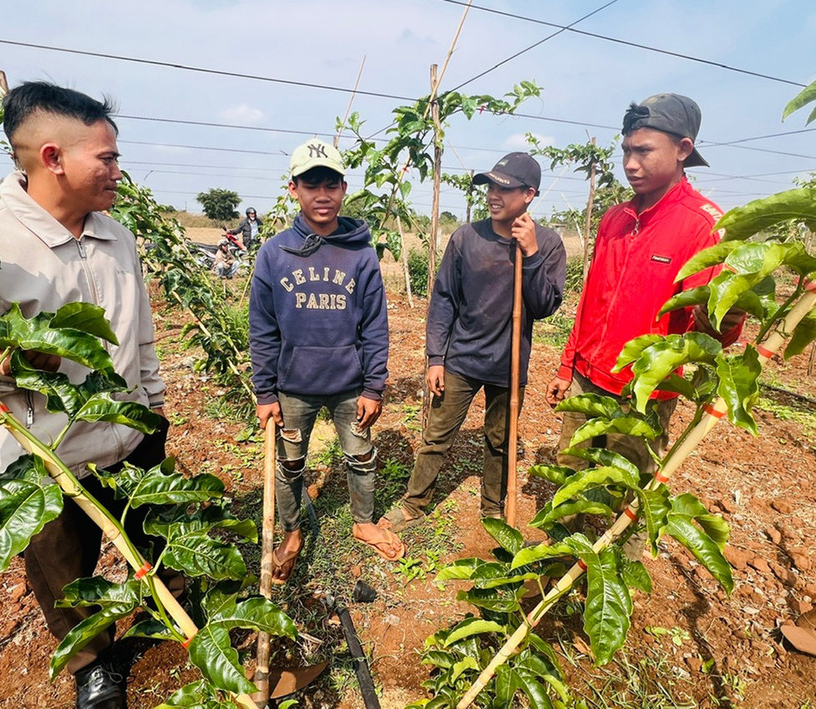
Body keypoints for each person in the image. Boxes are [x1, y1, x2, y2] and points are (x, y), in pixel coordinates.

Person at [0, 82, 174, 709]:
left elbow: (140, 332)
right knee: (65, 573)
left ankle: (167, 615)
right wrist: (5, 364)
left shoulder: (117, 236)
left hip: (128, 432)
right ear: (52, 158)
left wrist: (154, 405)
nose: (118, 171)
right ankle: (93, 664)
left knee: (153, 535)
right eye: (107, 158)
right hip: (44, 454)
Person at [546, 93, 744, 474]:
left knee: (628, 491)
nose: (630, 165)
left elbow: (715, 332)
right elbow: (590, 300)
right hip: (587, 377)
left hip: (643, 390)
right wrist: (567, 365)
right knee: (571, 470)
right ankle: (561, 535)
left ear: (683, 148)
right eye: (625, 152)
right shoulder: (615, 218)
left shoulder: (705, 226)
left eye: (644, 151)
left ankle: (623, 537)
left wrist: (725, 318)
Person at [379, 152, 567, 532]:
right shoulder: (467, 237)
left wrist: (529, 253)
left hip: (510, 363)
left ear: (529, 194)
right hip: (462, 359)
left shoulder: (547, 244)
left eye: (505, 188)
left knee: (500, 441)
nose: (494, 194)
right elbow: (444, 298)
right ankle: (414, 503)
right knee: (436, 436)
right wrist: (436, 357)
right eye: (491, 186)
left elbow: (545, 306)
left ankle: (493, 508)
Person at [249, 138, 404, 583]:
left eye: (331, 184)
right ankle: (292, 531)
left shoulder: (361, 253)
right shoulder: (274, 253)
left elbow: (375, 324)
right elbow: (262, 327)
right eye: (311, 184)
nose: (322, 195)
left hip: (348, 385)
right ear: (293, 188)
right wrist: (265, 390)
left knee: (360, 454)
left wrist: (374, 386)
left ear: (343, 188)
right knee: (290, 462)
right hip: (293, 385)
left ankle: (363, 521)